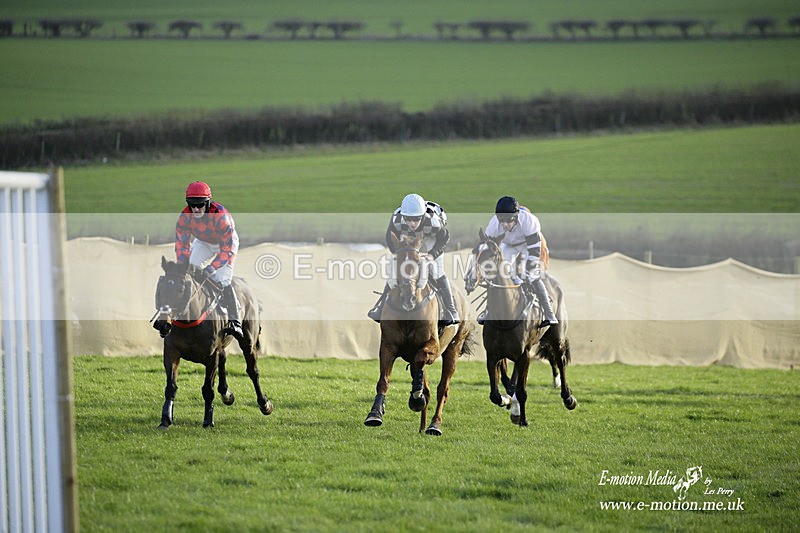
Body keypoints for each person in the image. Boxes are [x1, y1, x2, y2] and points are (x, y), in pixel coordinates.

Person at [154, 181, 243, 339]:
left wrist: (210, 269)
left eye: (200, 205)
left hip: (225, 245)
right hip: (203, 242)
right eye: (191, 204)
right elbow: (181, 245)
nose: (195, 209)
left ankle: (235, 322)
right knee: (190, 272)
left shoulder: (221, 217)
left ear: (208, 203)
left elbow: (226, 251)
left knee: (222, 279)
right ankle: (182, 311)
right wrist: (183, 268)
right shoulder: (184, 217)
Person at [367, 193, 460, 326]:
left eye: (416, 219)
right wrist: (399, 255)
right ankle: (381, 306)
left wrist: (432, 254)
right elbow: (390, 238)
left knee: (437, 270)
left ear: (422, 216)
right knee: (395, 270)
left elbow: (444, 238)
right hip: (406, 238)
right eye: (408, 219)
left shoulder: (433, 222)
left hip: (431, 238)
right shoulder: (397, 219)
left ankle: (451, 310)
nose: (412, 223)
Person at [479, 195, 558, 327]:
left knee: (533, 276)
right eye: (501, 221)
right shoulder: (493, 225)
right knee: (499, 274)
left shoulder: (529, 222)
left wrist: (528, 270)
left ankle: (549, 313)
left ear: (516, 217)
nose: (504, 225)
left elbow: (534, 252)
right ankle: (488, 311)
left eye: (508, 221)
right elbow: (488, 248)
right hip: (508, 245)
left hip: (528, 244)